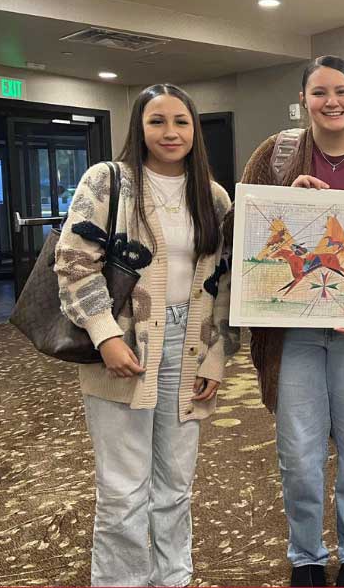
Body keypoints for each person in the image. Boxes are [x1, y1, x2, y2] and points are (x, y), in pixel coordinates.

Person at [232, 55, 344, 588]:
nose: (331, 102)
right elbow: (241, 226)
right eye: (319, 93)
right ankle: (306, 555)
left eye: (341, 92)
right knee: (298, 450)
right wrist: (289, 202)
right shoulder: (276, 153)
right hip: (293, 334)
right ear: (304, 99)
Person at [54, 83, 237, 586]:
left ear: (195, 129)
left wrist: (216, 357)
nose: (170, 132)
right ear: (138, 127)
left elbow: (224, 285)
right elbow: (72, 263)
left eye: (181, 121)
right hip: (126, 340)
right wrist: (105, 335)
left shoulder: (214, 196)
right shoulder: (108, 182)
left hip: (190, 343)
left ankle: (173, 577)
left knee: (176, 484)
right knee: (122, 488)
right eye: (157, 121)